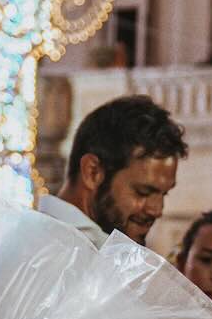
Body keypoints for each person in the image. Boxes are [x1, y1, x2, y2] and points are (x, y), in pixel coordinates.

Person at [40, 94, 186, 247]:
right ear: (92, 172)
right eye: (143, 192)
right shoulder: (54, 249)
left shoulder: (104, 248)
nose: (156, 210)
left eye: (164, 193)